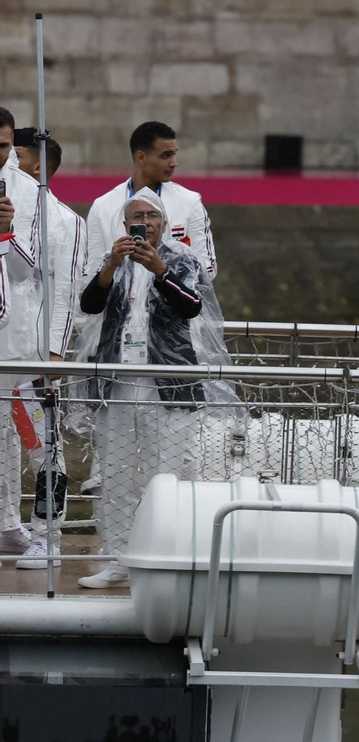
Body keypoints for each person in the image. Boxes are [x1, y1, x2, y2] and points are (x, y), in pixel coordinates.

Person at [73, 188, 237, 589]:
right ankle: (119, 559)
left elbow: (191, 307)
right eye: (136, 216)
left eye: (152, 216)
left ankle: (168, 558)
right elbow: (90, 304)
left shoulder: (182, 260)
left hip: (170, 384)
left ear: (164, 223)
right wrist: (112, 264)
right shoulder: (111, 262)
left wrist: (159, 269)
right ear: (124, 223)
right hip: (118, 381)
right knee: (116, 473)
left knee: (170, 474)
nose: (144, 222)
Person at [8, 130, 84, 568]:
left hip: (34, 353)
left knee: (44, 445)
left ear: (37, 166)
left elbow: (66, 291)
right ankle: (7, 527)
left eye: (15, 156)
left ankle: (47, 533)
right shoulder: (9, 210)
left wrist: (53, 353)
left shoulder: (64, 221)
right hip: (4, 344)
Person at [83, 122, 218, 290]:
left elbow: (208, 269)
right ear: (141, 157)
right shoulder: (103, 206)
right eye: (165, 155)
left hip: (172, 312)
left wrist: (162, 272)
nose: (173, 163)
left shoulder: (189, 202)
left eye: (174, 154)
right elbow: (89, 273)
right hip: (119, 312)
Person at [0, 107, 41, 565]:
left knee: (3, 431)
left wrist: (4, 232)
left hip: (6, 327)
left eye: (5, 145)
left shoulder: (28, 192)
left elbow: (25, 269)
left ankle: (6, 520)